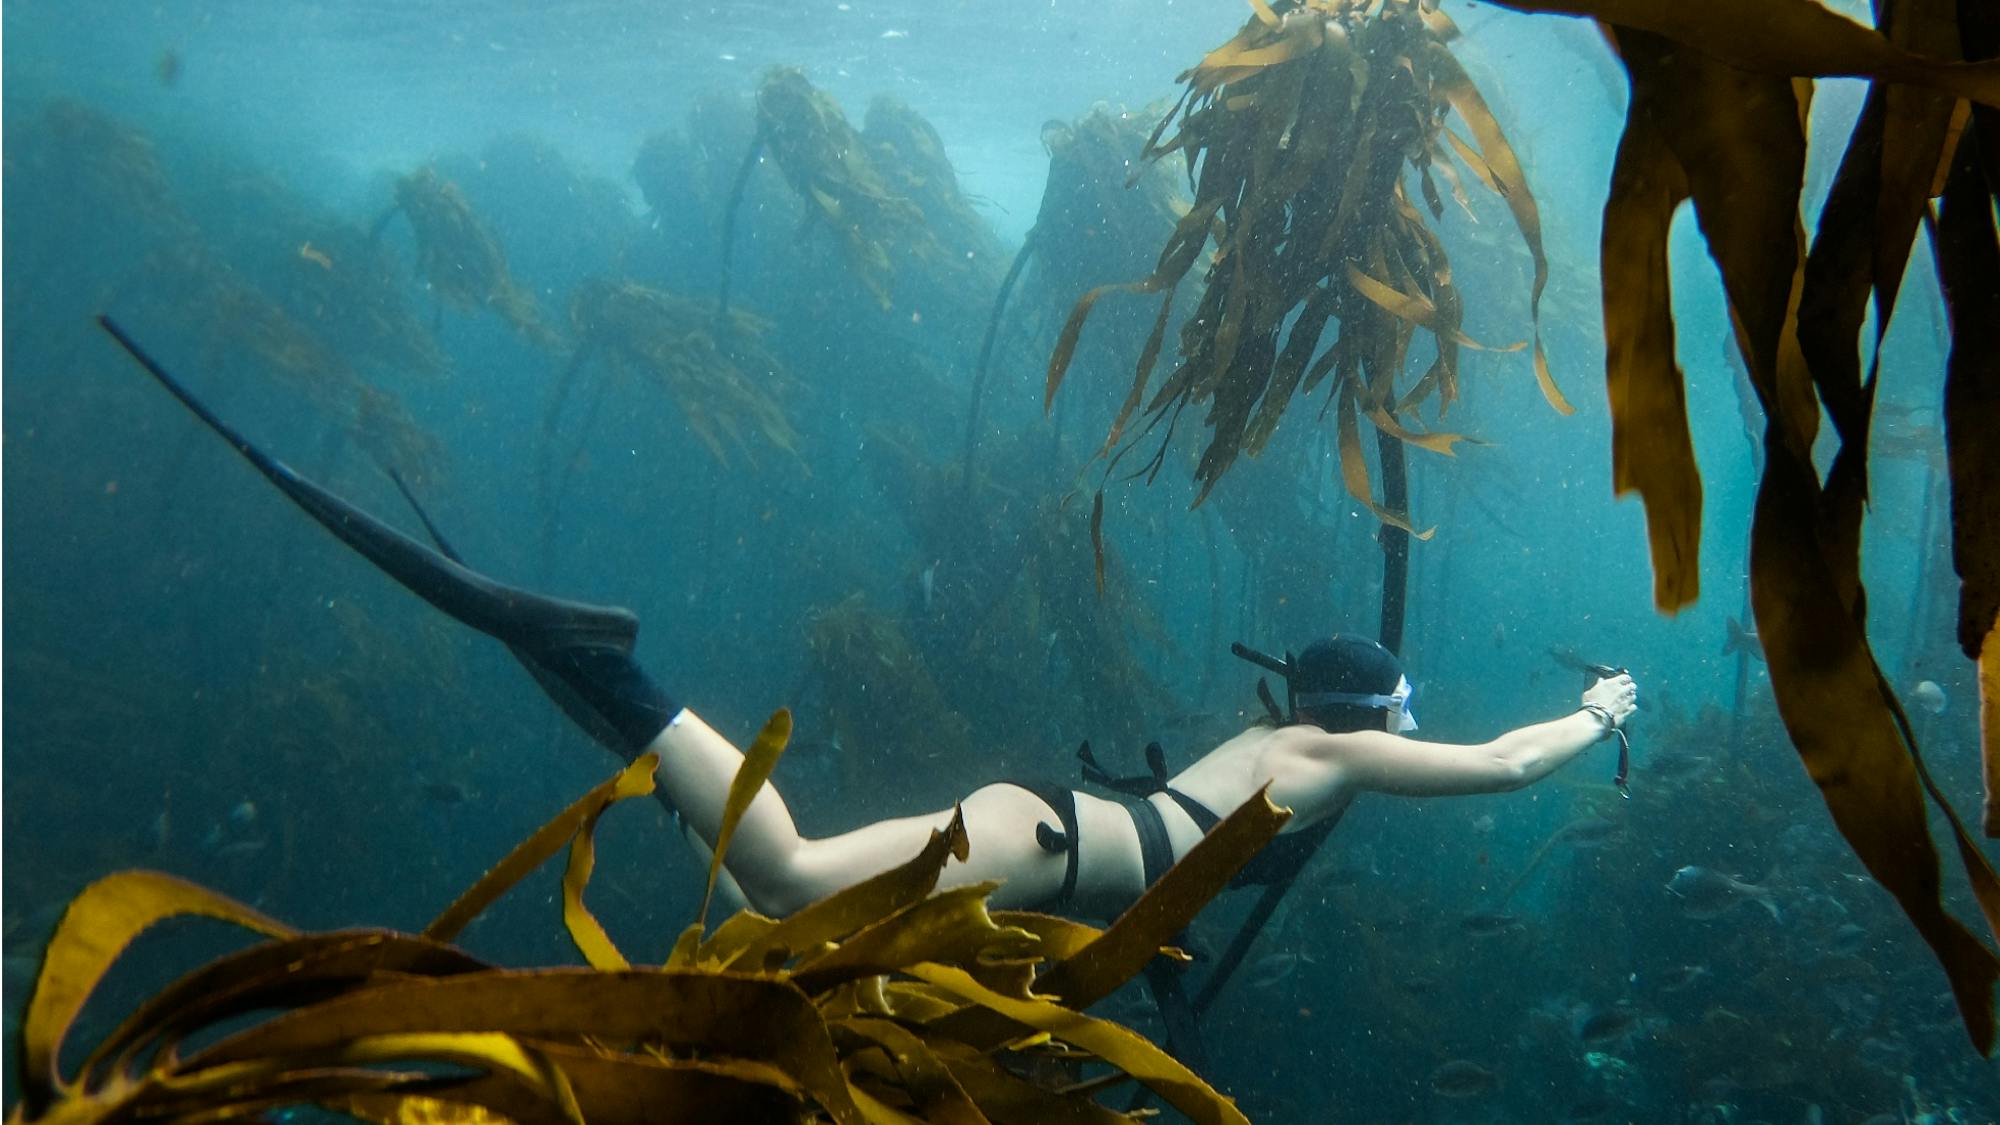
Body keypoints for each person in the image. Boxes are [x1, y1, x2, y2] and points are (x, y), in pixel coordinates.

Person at [100, 317, 1640, 924]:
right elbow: (1502, 769)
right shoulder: (1333, 761)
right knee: (776, 879)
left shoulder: (1277, 743)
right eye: (1402, 711)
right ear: (1365, 719)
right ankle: (600, 655)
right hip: (1043, 845)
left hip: (1050, 833)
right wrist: (1604, 715)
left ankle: (580, 666)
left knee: (775, 882)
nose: (1411, 734)